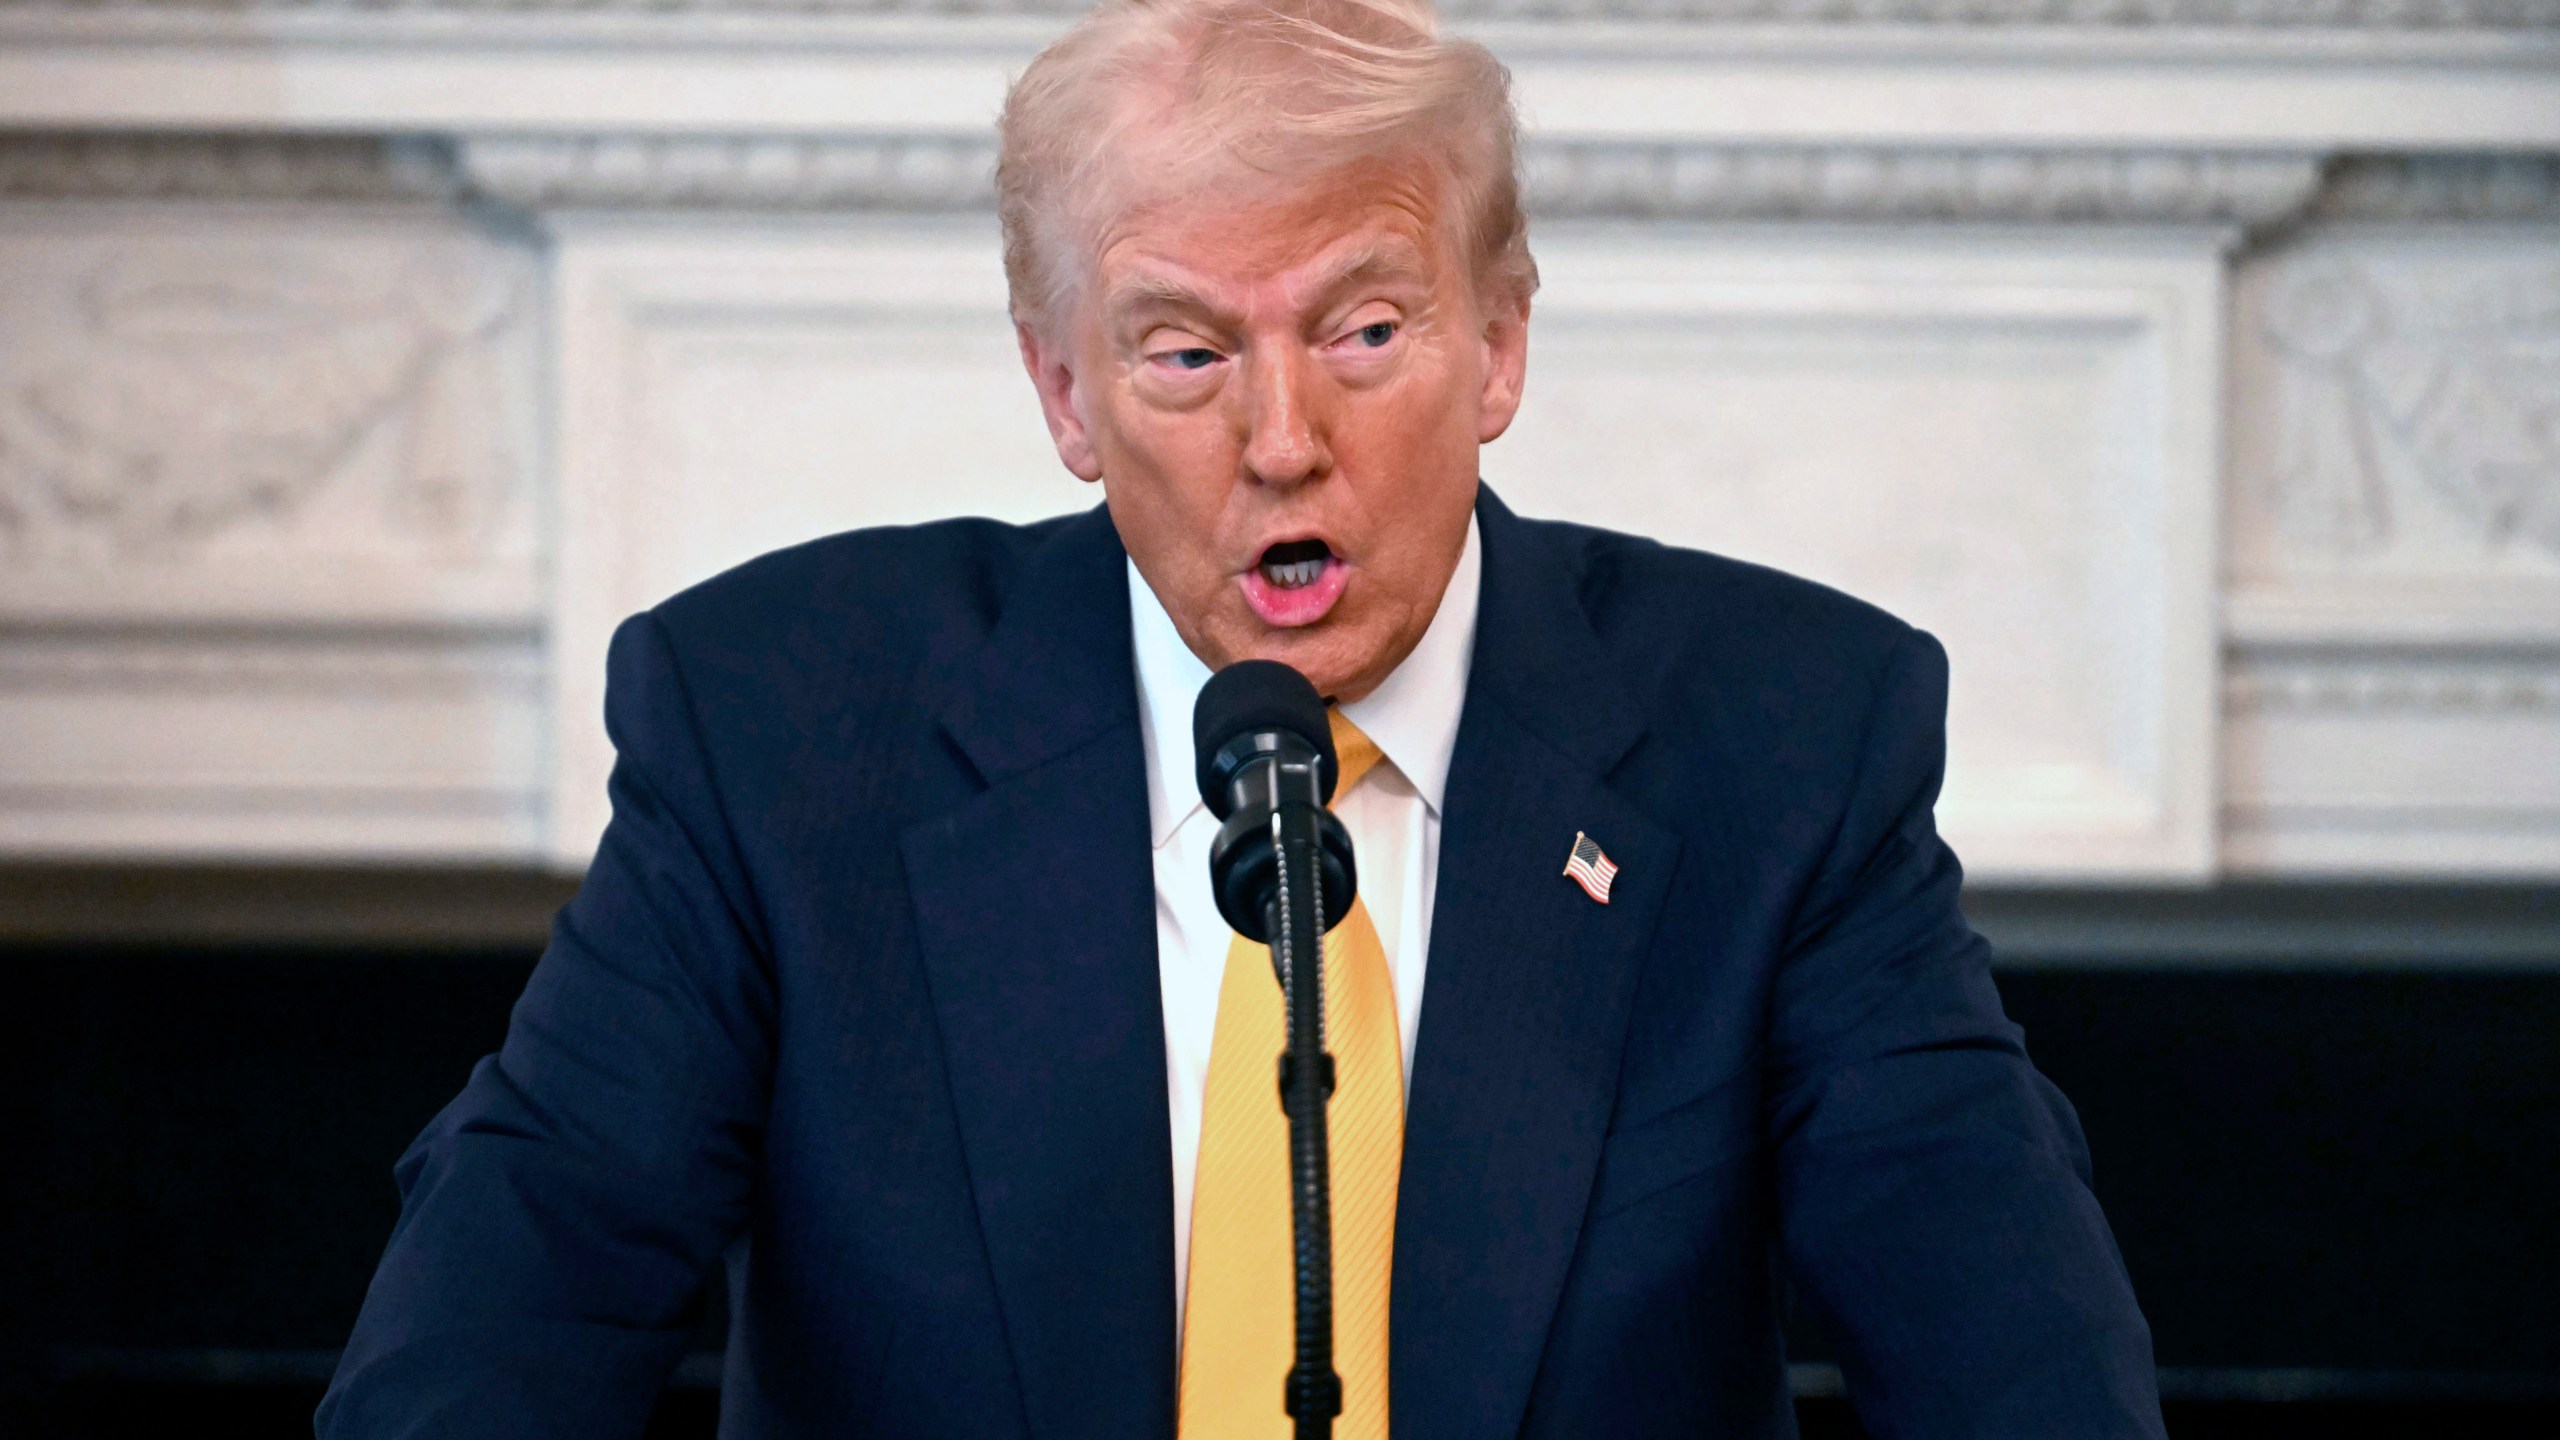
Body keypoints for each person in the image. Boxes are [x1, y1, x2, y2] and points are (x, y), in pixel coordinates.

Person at [320, 0, 2165, 1434]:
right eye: (1188, 352)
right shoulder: (784, 728)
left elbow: (1996, 1319)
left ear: (1499, 343)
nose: (1283, 440)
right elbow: (521, 1279)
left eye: (1365, 332)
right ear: (1063, 390)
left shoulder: (1780, 740)